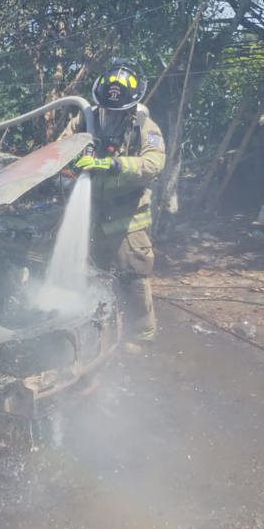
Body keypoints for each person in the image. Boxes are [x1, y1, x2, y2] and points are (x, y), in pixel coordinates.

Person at [60, 59, 166, 343]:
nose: (110, 113)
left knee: (133, 278)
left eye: (117, 109)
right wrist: (74, 157)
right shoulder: (84, 117)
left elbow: (154, 163)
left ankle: (141, 337)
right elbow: (61, 146)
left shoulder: (144, 125)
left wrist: (115, 164)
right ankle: (96, 331)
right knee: (91, 274)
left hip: (128, 219)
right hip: (92, 214)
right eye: (106, 107)